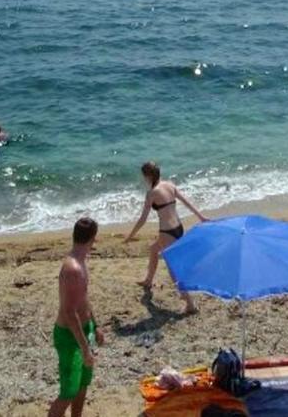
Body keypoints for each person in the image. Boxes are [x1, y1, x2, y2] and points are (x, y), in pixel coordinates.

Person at [122, 161, 208, 315]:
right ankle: (148, 280)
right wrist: (200, 216)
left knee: (172, 268)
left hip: (167, 232)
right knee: (154, 249)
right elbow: (186, 201)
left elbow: (143, 219)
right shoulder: (169, 185)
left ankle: (190, 304)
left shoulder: (152, 193)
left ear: (148, 176)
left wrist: (130, 236)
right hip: (178, 228)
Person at [49, 217, 103, 417]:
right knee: (68, 392)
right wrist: (85, 348)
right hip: (70, 337)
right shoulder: (72, 269)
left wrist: (95, 326)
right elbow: (69, 313)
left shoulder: (81, 262)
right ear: (93, 239)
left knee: (82, 385)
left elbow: (83, 299)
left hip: (84, 331)